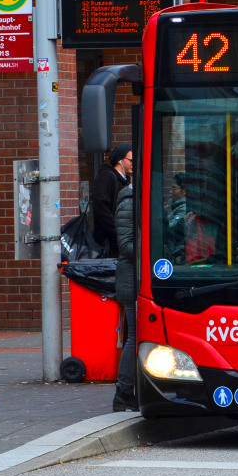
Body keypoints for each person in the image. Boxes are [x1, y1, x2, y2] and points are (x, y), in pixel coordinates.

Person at [112, 183, 137, 411]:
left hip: (136, 278)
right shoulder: (129, 201)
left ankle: (127, 391)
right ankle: (124, 392)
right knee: (135, 337)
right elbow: (126, 245)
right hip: (132, 278)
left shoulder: (135, 198)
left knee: (136, 336)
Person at [92, 143, 133, 257]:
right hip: (108, 242)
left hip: (118, 241)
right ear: (120, 160)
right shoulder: (107, 177)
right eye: (131, 161)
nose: (134, 164)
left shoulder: (124, 180)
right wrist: (118, 233)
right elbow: (101, 209)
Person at [164, 173, 187, 262]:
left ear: (184, 191)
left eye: (174, 188)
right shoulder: (174, 204)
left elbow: (170, 227)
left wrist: (164, 214)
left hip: (177, 254)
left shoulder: (183, 208)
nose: (171, 191)